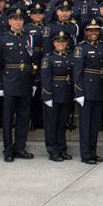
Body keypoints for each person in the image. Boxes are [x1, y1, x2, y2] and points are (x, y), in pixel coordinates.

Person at [0, 7, 39, 162]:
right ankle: (8, 149)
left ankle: (20, 147)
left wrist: (33, 82)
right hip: (9, 81)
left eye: (20, 19)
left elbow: (32, 61)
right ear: (9, 21)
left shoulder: (28, 38)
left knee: (23, 118)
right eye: (15, 19)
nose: (18, 22)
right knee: (8, 119)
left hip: (25, 81)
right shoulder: (2, 38)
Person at [72, 19, 103, 164]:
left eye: (96, 30)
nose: (94, 33)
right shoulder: (81, 48)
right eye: (90, 31)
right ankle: (86, 154)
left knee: (94, 125)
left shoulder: (102, 47)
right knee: (85, 125)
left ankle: (92, 152)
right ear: (86, 32)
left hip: (98, 90)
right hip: (86, 90)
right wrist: (79, 92)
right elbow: (77, 72)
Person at [40, 30, 74, 161]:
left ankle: (62, 148)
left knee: (62, 123)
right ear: (54, 43)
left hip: (66, 93)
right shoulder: (48, 58)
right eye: (58, 42)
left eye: (63, 41)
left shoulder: (70, 57)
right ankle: (52, 150)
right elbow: (45, 78)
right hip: (53, 94)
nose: (61, 44)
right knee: (51, 124)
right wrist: (47, 96)